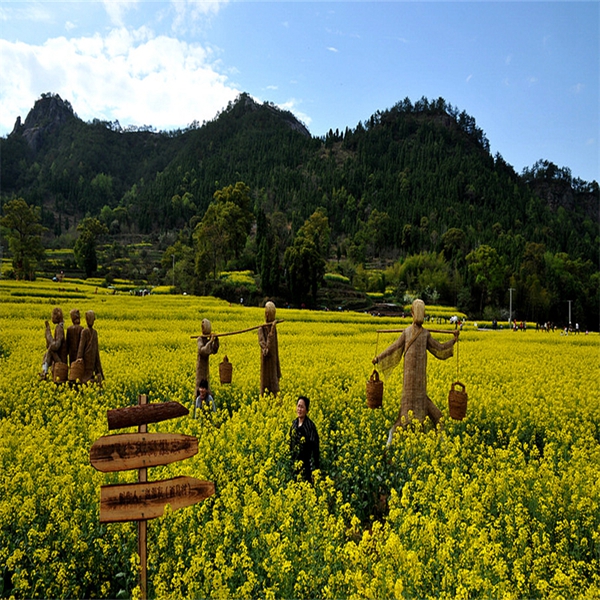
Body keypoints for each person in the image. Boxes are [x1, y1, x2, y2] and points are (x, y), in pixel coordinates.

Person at [373, 299, 459, 444]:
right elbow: (440, 349)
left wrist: (378, 358)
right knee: (436, 418)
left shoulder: (410, 333)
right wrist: (454, 340)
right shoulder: (423, 334)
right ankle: (439, 444)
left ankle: (392, 442)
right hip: (416, 391)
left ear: (412, 313)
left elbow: (393, 348)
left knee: (408, 420)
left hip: (414, 391)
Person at [289, 396, 320, 482]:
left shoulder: (310, 427)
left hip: (307, 468)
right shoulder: (294, 424)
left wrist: (315, 470)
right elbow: (290, 444)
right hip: (295, 467)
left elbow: (315, 450)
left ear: (307, 410)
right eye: (298, 406)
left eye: (302, 407)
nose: (299, 409)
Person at [258, 301, 281, 396]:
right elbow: (266, 348)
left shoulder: (273, 328)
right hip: (267, 364)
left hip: (273, 364)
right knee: (266, 387)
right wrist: (271, 332)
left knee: (275, 387)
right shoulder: (261, 329)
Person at [77, 310, 104, 384]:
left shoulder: (94, 332)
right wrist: (79, 358)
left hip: (92, 358)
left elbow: (96, 349)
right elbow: (81, 347)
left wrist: (99, 370)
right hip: (86, 359)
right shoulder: (84, 331)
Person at [40, 307, 67, 379]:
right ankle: (44, 371)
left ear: (56, 316)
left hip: (61, 361)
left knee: (50, 349)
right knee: (47, 352)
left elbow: (55, 346)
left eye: (52, 315)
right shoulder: (59, 327)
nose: (51, 317)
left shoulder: (59, 329)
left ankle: (44, 371)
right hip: (59, 358)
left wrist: (48, 333)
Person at [196, 318, 219, 395]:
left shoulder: (207, 339)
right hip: (201, 366)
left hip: (206, 367)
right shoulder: (200, 339)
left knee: (206, 383)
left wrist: (216, 340)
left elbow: (213, 350)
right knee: (200, 384)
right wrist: (210, 341)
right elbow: (203, 351)